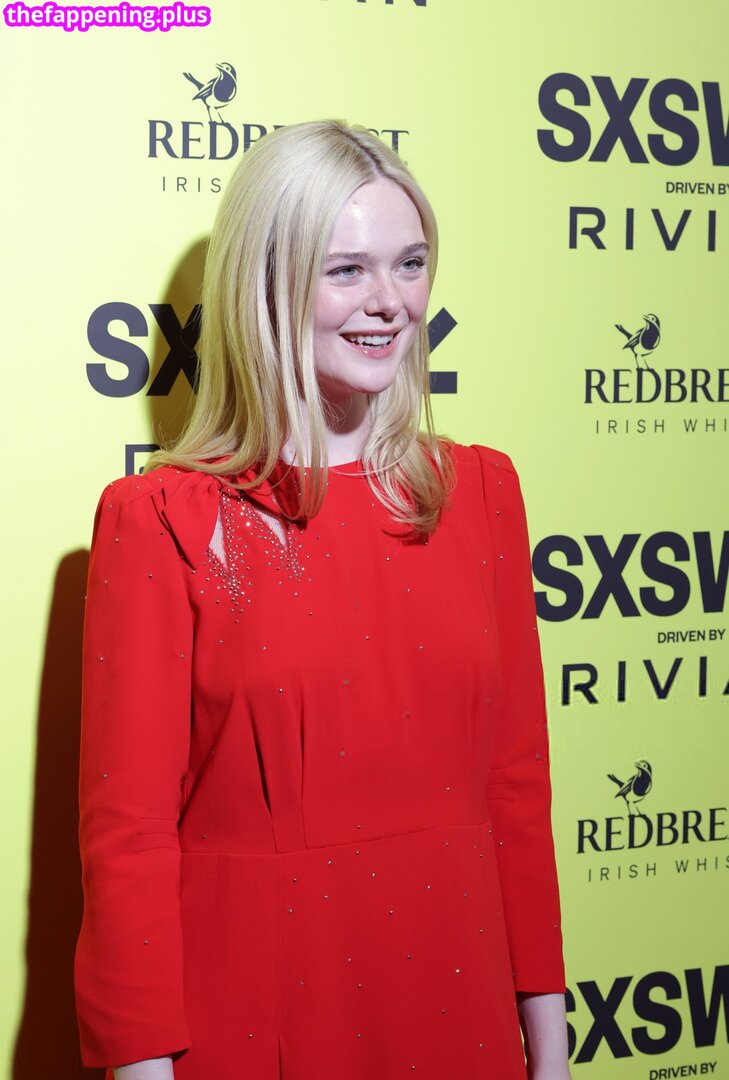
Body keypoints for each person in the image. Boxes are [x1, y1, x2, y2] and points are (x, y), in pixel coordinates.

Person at [74, 119, 571, 1080]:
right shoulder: (163, 519)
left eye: (410, 263)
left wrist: (547, 1055)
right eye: (346, 271)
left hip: (458, 1004)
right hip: (255, 1021)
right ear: (266, 288)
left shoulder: (481, 495)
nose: (390, 301)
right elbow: (126, 839)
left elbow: (515, 794)